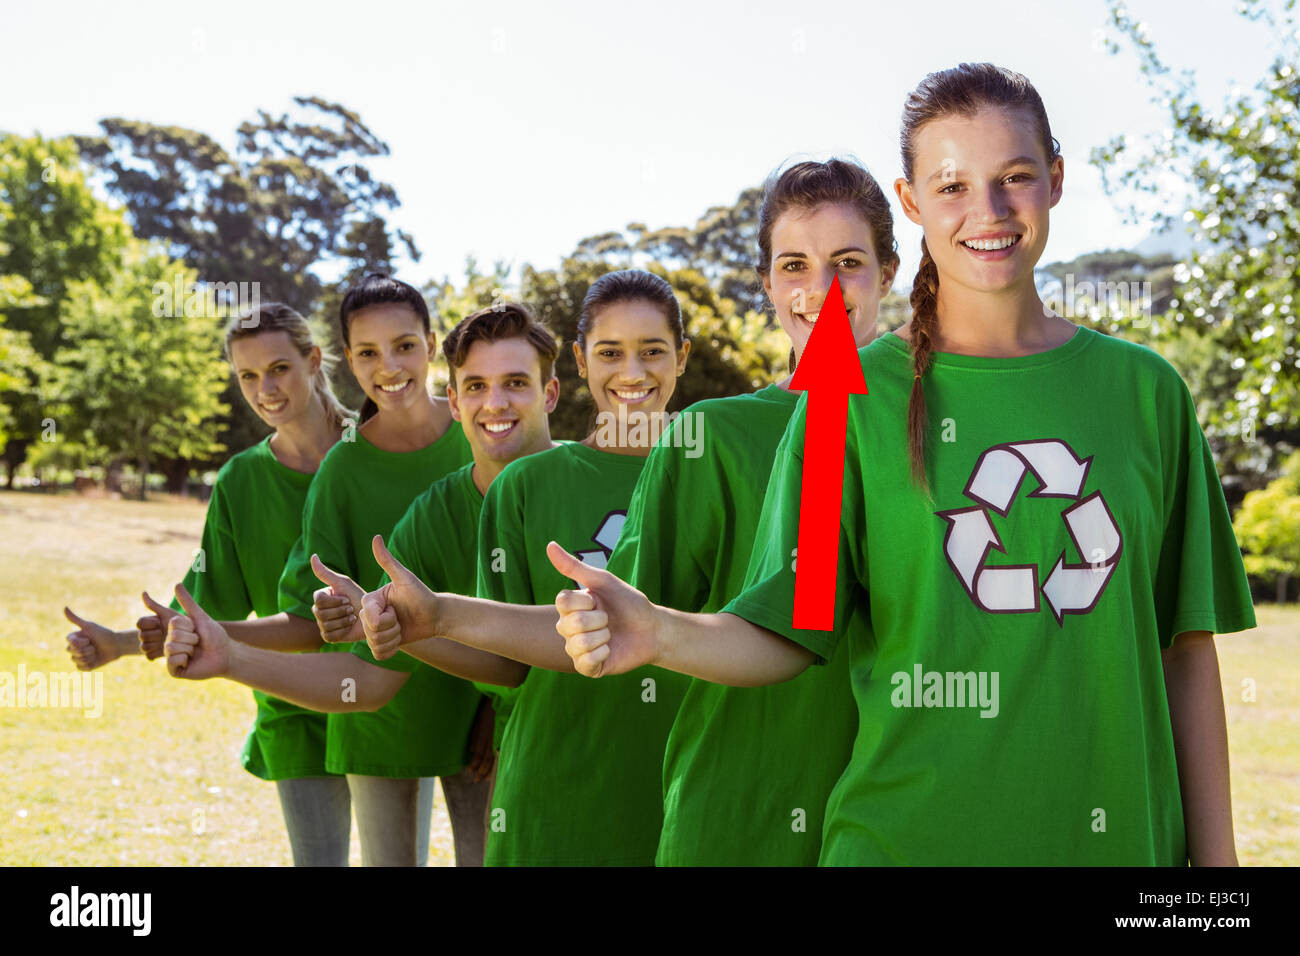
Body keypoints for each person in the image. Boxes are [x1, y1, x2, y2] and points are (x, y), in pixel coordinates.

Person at [550, 63, 1256, 866]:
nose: (987, 212)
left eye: (1015, 177)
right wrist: (662, 631)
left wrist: (1218, 875)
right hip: (905, 842)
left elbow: (1184, 651)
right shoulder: (844, 402)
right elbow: (791, 630)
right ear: (913, 202)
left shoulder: (1146, 393)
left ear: (1055, 181)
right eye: (952, 187)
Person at [315, 270, 695, 864]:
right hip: (549, 803)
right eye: (610, 352)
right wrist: (425, 626)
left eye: (652, 350)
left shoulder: (713, 468)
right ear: (581, 361)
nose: (632, 371)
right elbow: (506, 668)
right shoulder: (523, 486)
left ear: (682, 356)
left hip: (687, 794)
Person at [163, 300, 561, 864]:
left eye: (515, 383)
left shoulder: (593, 490)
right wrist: (231, 654)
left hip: (531, 740)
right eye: (475, 387)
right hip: (393, 724)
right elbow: (362, 659)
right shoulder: (418, 508)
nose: (493, 403)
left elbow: (559, 648)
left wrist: (491, 704)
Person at [605, 158, 897, 866]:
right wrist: (447, 616)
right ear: (765, 283)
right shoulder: (711, 437)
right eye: (794, 265)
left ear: (889, 272)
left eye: (848, 262)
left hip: (897, 820)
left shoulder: (938, 422)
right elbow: (624, 623)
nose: (820, 289)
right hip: (733, 821)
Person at [64, 302, 353, 866]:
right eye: (248, 375)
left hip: (390, 700)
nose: (265, 388)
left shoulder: (374, 451)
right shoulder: (241, 480)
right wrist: (122, 642)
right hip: (291, 703)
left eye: (279, 368)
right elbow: (206, 604)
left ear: (313, 360)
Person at [272, 272, 487, 866]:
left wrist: (501, 705)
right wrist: (331, 611)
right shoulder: (341, 469)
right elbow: (314, 608)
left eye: (404, 345)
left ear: (432, 343)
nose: (388, 365)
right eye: (367, 351)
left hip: (484, 713)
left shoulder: (484, 434)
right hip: (378, 720)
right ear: (347, 361)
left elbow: (523, 586)